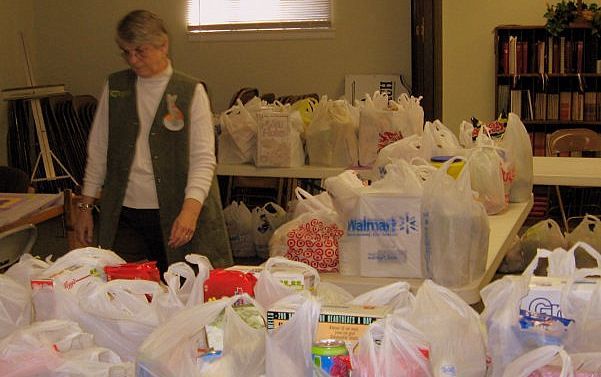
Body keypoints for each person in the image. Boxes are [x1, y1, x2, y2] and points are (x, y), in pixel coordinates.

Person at [75, 9, 232, 272]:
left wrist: (190, 212)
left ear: (163, 45)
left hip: (174, 211)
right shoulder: (115, 87)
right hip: (124, 212)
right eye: (126, 52)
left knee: (181, 287)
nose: (133, 60)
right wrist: (85, 206)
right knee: (123, 286)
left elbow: (203, 160)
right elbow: (98, 149)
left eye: (140, 51)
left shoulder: (191, 91)